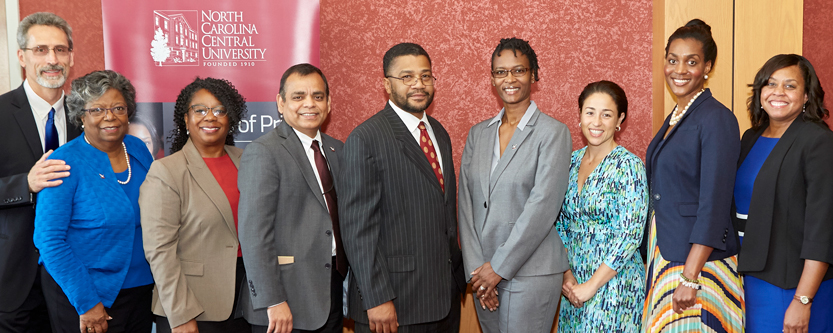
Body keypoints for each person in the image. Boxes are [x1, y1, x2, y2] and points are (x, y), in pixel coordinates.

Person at [338, 42, 466, 333]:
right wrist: (377, 297)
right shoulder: (366, 138)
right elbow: (358, 229)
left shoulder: (439, 133)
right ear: (386, 84)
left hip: (443, 297)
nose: (418, 84)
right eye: (406, 77)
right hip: (394, 304)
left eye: (426, 76)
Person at [457, 37, 571, 332]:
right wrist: (478, 272)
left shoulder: (553, 133)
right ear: (492, 78)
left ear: (534, 75)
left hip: (531, 271)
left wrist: (498, 268)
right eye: (500, 72)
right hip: (483, 273)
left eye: (518, 70)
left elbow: (542, 208)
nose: (510, 79)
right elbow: (466, 206)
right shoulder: (478, 134)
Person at [641, 19, 744, 332]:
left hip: (698, 265)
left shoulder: (717, 119)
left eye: (691, 62)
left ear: (707, 66)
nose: (679, 70)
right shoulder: (677, 116)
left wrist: (690, 276)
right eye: (673, 60)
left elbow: (714, 203)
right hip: (668, 250)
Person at [33, 70, 154, 333]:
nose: (109, 117)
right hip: (85, 295)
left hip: (142, 290)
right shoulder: (63, 162)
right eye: (97, 109)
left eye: (118, 108)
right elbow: (49, 240)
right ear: (80, 116)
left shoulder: (138, 149)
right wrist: (87, 303)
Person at [238, 64, 347, 333]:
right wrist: (273, 300)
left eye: (318, 96)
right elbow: (254, 234)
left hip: (330, 290)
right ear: (281, 103)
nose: (309, 103)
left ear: (329, 103)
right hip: (284, 301)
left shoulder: (337, 150)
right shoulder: (264, 152)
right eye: (298, 96)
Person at [140, 77, 250, 332]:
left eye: (219, 110)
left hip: (245, 302)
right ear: (185, 120)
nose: (209, 117)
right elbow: (159, 250)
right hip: (193, 306)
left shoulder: (247, 160)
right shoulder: (166, 171)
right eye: (199, 110)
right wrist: (181, 314)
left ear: (230, 118)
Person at [734, 54, 833, 333]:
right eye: (770, 83)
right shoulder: (750, 138)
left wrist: (803, 299)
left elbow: (822, 229)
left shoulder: (818, 142)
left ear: (806, 96)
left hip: (793, 284)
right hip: (751, 278)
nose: (778, 92)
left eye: (790, 86)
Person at [0, 12, 80, 332]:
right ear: (22, 56)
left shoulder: (87, 118)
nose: (52, 59)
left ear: (71, 57)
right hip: (14, 279)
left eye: (60, 50)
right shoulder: (2, 114)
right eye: (41, 50)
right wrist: (26, 183)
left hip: (74, 278)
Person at [555, 81, 647, 332]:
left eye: (606, 115)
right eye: (590, 112)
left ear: (620, 119)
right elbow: (559, 224)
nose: (596, 122)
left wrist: (591, 286)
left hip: (614, 285)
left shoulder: (629, 166)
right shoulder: (569, 161)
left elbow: (630, 235)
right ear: (580, 115)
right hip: (572, 283)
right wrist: (567, 277)